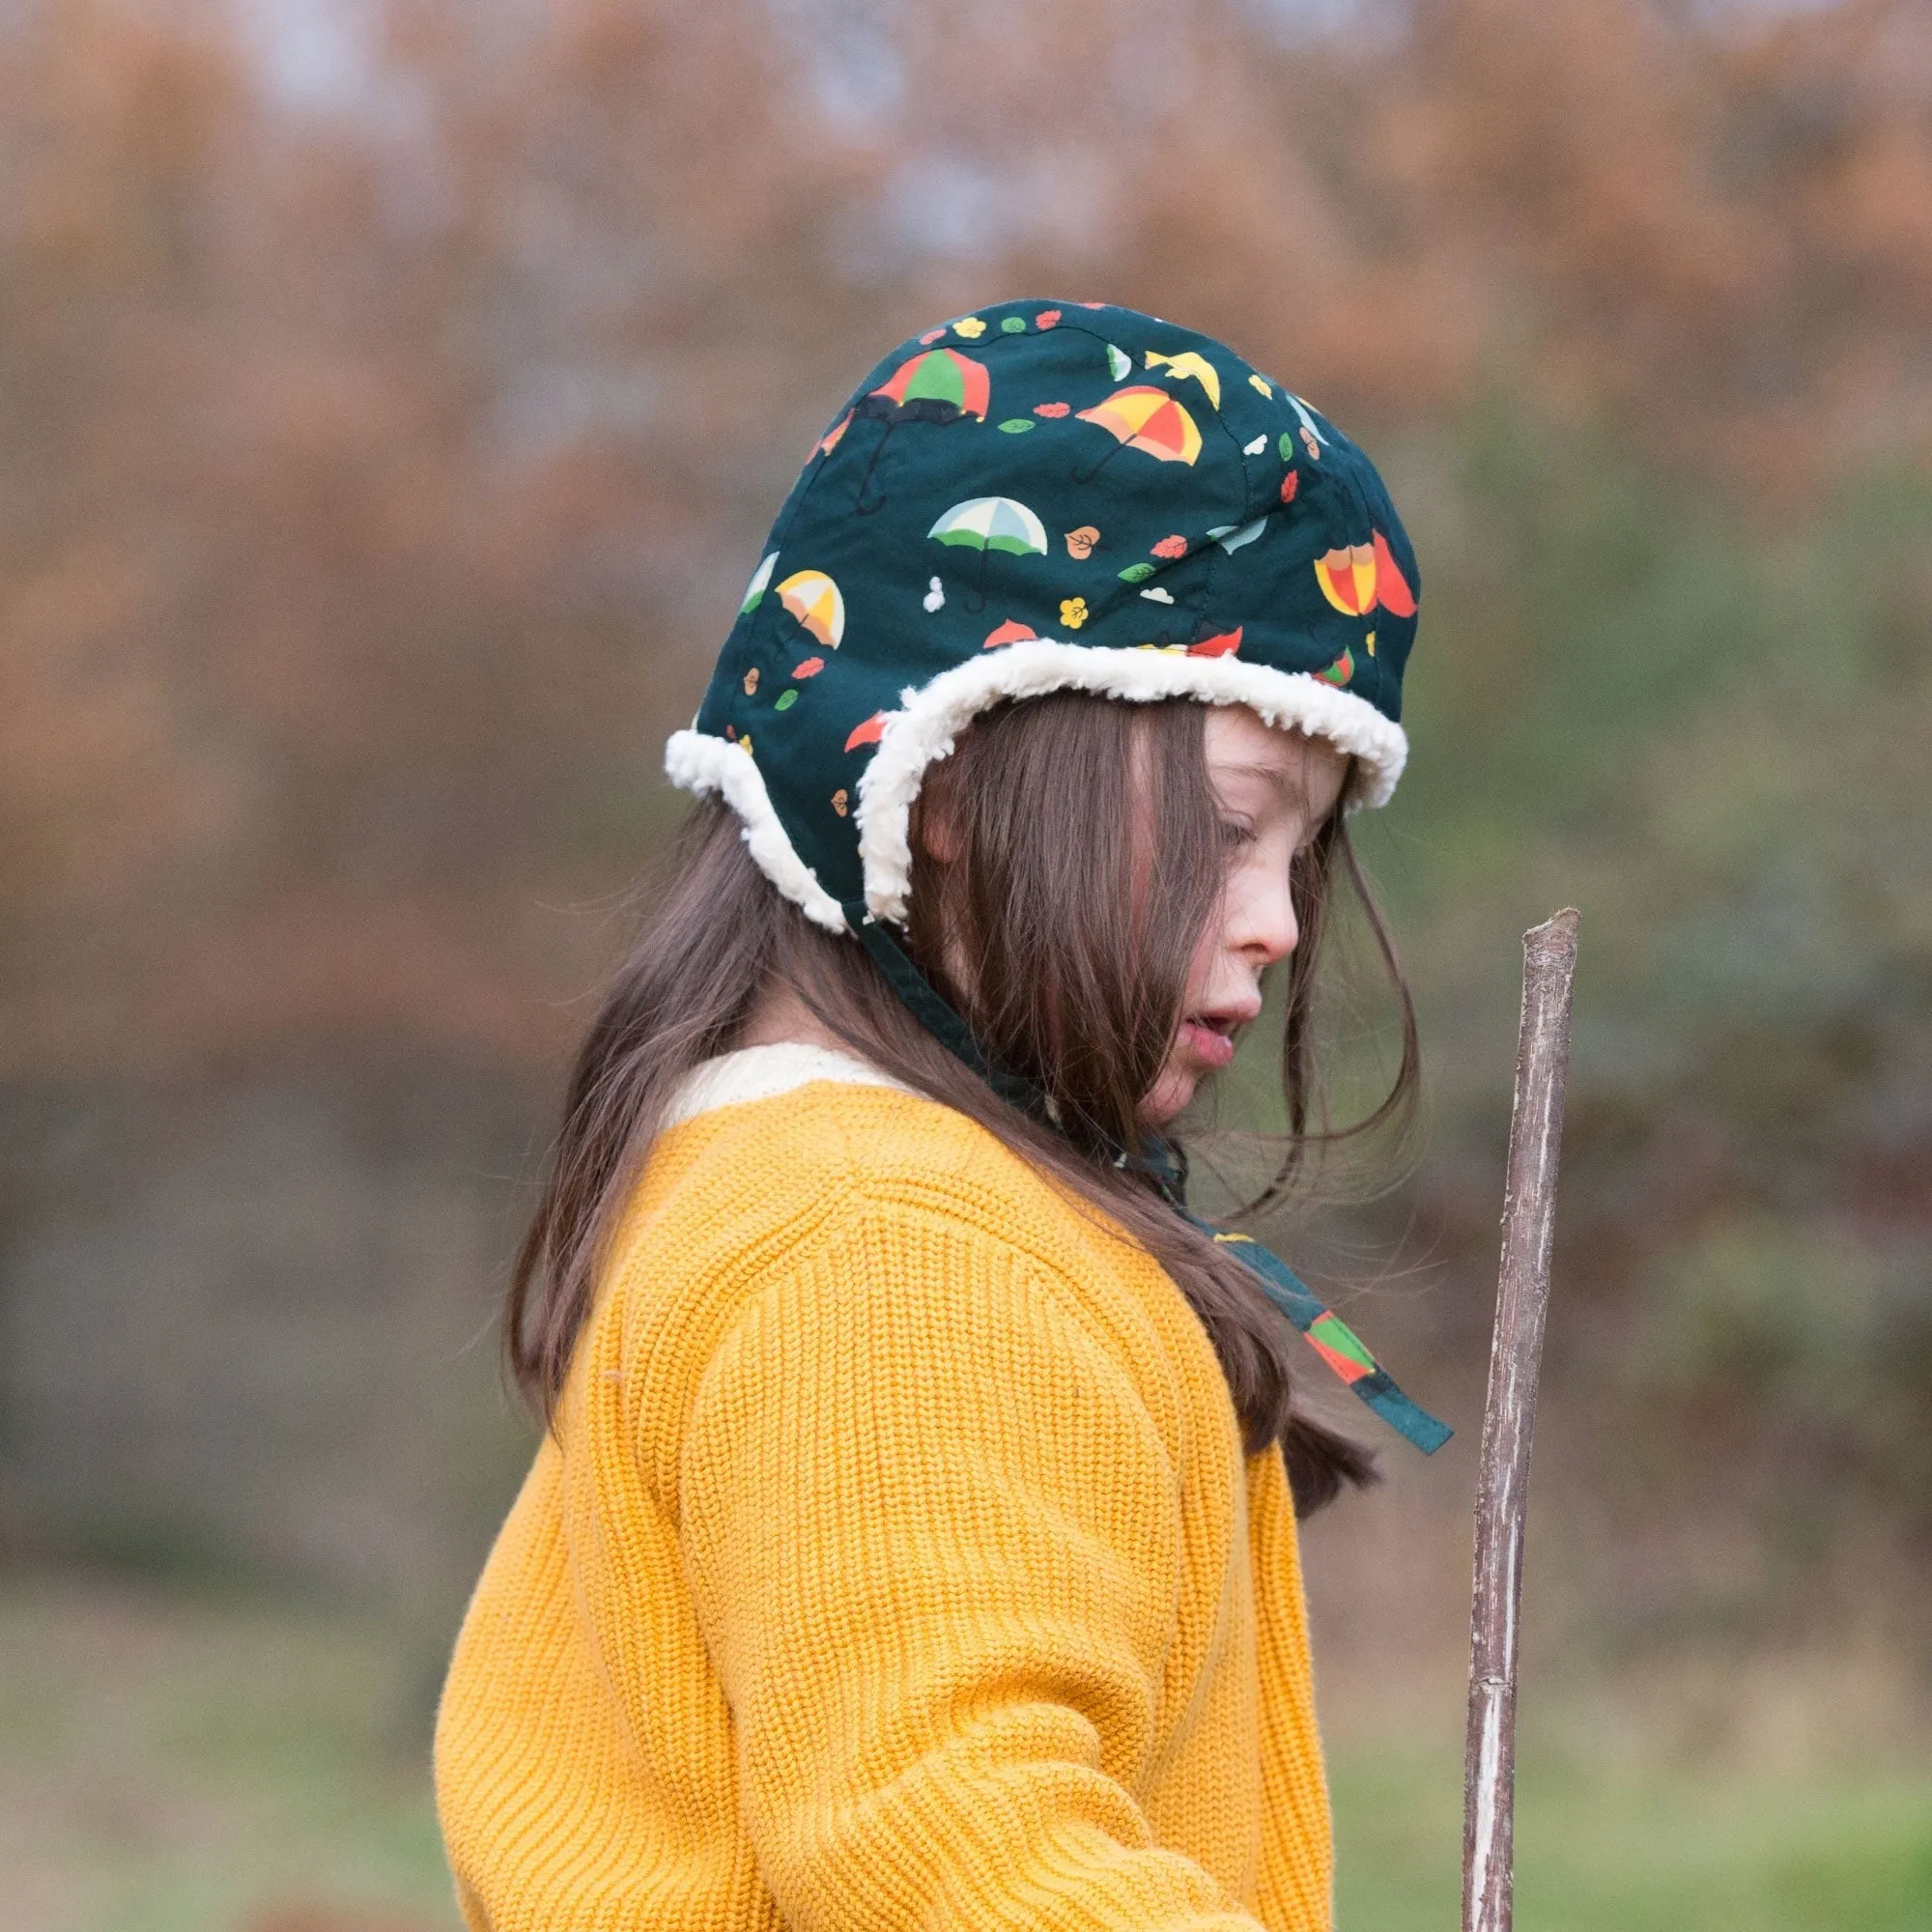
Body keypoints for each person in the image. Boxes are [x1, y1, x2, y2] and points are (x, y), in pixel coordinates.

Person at [435, 299, 1448, 1932]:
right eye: (1236, 822)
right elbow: (961, 1850)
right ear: (958, 776)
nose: (1277, 919)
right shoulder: (887, 1253)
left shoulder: (810, 1187)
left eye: (1302, 858)